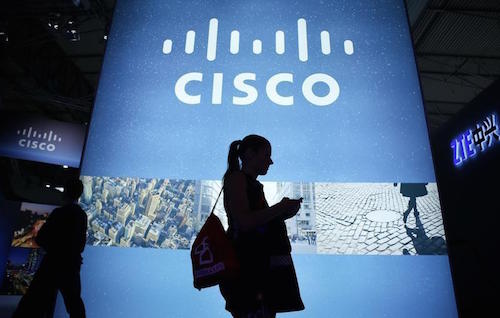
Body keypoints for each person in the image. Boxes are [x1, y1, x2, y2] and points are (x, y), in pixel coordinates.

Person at [219, 135, 305, 318]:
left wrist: (282, 213)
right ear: (250, 154)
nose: (271, 161)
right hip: (247, 272)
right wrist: (280, 208)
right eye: (266, 155)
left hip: (255, 270)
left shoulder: (249, 183)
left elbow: (257, 222)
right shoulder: (237, 180)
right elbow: (245, 222)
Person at [13, 178, 87, 318]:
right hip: (71, 266)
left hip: (52, 265)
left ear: (65, 192)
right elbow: (80, 246)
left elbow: (41, 238)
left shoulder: (59, 213)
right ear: (79, 194)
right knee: (75, 305)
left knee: (33, 302)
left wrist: (53, 248)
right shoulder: (82, 215)